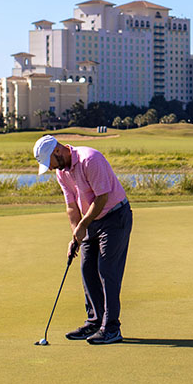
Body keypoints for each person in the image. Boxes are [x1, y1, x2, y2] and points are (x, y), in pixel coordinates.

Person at [33, 135, 132, 345]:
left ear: (57, 152)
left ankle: (112, 328)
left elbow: (102, 198)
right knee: (87, 268)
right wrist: (75, 235)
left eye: (48, 162)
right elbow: (71, 206)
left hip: (114, 216)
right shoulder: (62, 172)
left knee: (107, 270)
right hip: (91, 221)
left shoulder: (90, 159)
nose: (49, 168)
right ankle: (95, 322)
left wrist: (83, 226)